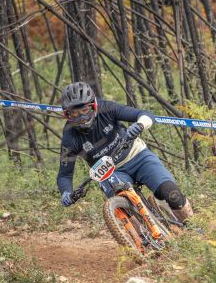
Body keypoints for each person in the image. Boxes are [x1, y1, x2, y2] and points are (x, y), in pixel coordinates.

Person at [56, 82, 193, 223]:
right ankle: (143, 239)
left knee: (172, 194)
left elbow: (145, 115)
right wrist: (66, 193)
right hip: (110, 172)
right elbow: (64, 175)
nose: (80, 118)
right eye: (74, 113)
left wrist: (139, 125)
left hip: (137, 156)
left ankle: (194, 228)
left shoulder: (107, 109)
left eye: (84, 110)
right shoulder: (69, 137)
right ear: (67, 115)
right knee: (126, 210)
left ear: (93, 105)